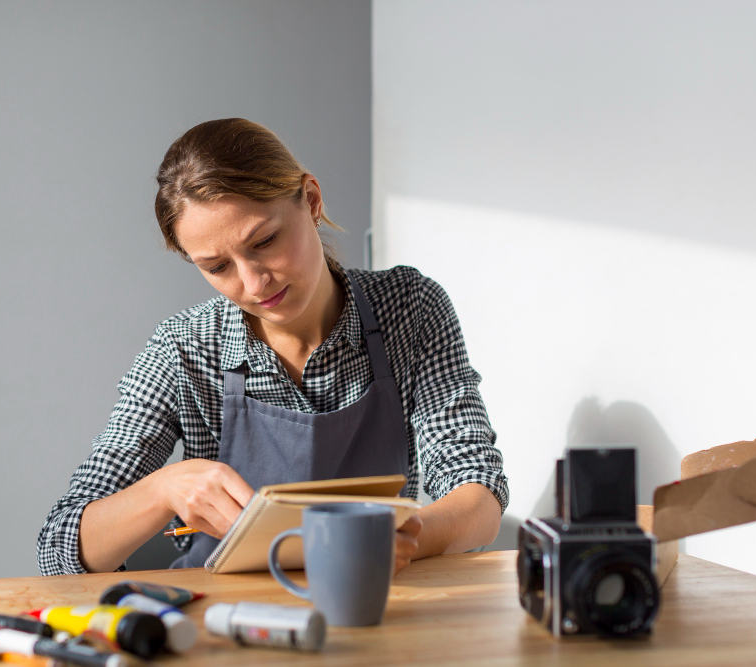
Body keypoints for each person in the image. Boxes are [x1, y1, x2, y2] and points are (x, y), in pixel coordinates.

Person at [37, 118, 508, 576]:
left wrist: (406, 537)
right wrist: (164, 489)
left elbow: (479, 493)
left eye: (264, 241)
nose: (253, 282)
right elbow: (59, 548)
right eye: (218, 267)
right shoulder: (185, 349)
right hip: (227, 628)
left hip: (373, 604)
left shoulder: (410, 309)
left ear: (311, 200)